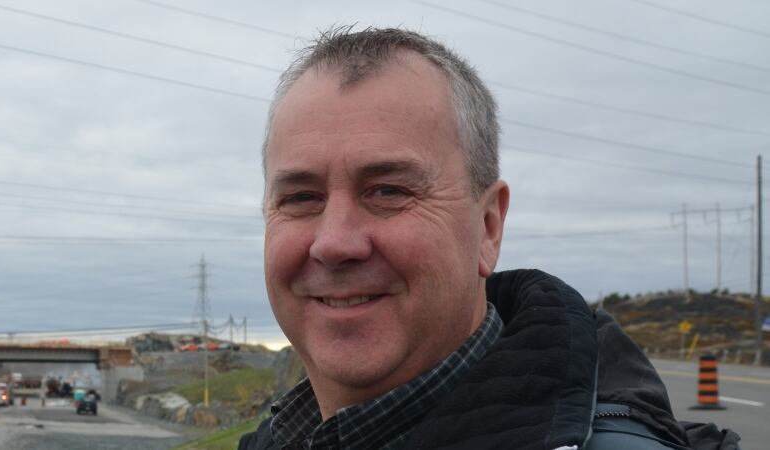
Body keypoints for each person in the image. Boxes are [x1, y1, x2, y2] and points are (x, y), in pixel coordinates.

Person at [240, 27, 740, 450]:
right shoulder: (276, 435)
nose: (333, 243)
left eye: (388, 190)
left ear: (487, 228)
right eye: (301, 197)